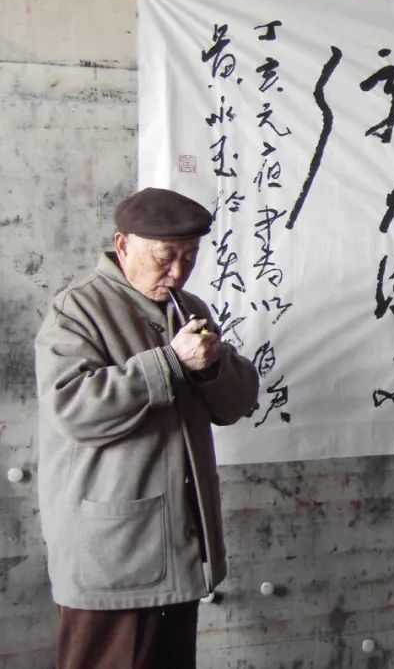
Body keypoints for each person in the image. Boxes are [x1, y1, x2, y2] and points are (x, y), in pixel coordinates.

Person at [35, 187, 260, 669]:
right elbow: (72, 407)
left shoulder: (189, 307)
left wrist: (211, 369)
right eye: (165, 257)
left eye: (189, 257)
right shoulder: (77, 309)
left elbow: (236, 404)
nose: (177, 272)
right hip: (112, 554)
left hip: (180, 549)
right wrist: (169, 363)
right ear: (123, 245)